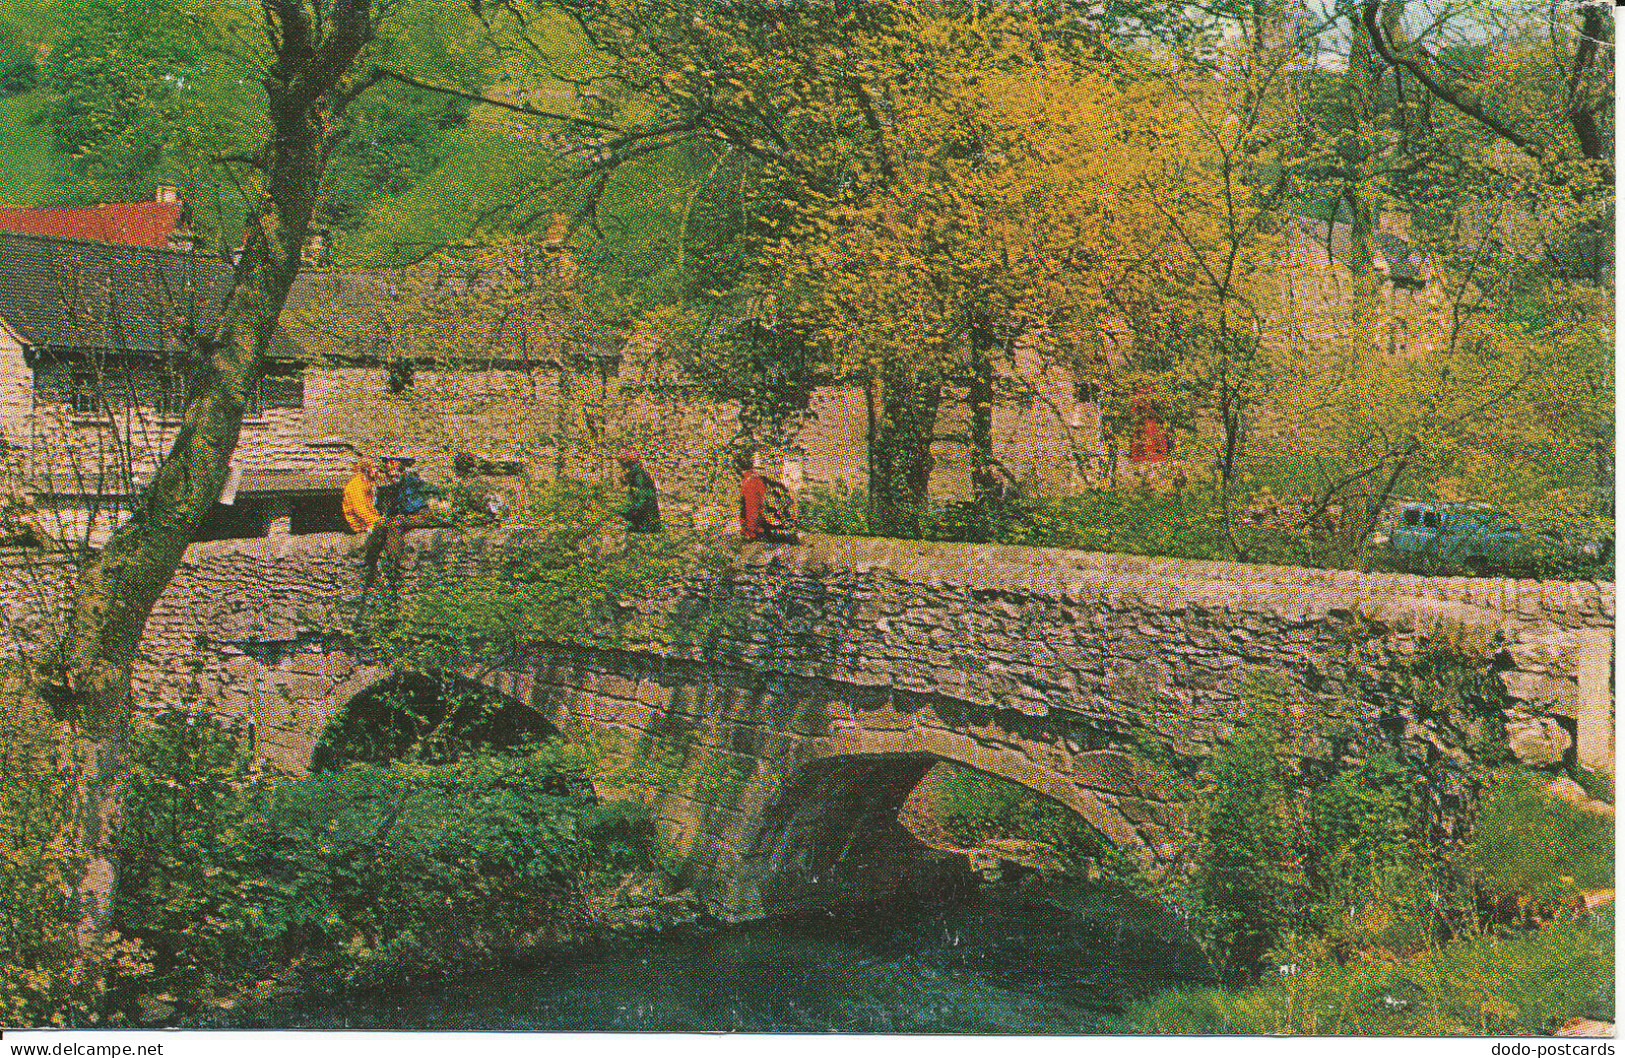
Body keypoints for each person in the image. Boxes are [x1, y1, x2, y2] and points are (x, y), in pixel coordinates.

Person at [449, 451, 508, 528]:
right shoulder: (484, 483)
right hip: (491, 522)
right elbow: (501, 507)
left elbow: (457, 514)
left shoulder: (461, 487)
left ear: (458, 470)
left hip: (476, 526)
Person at [616, 448, 662, 533]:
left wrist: (627, 512)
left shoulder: (639, 476)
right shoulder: (637, 474)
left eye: (622, 463)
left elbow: (642, 500)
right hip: (646, 519)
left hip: (646, 524)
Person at [342, 456, 381, 533]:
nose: (377, 471)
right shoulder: (357, 485)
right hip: (358, 526)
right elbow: (360, 509)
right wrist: (377, 523)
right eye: (374, 467)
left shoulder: (368, 483)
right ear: (366, 469)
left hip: (368, 522)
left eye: (378, 468)